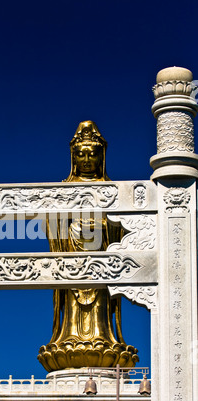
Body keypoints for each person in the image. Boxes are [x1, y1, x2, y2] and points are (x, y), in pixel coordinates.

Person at [38, 121, 139, 373]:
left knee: (101, 304)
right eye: (80, 154)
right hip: (71, 256)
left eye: (92, 154)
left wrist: (104, 226)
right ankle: (68, 338)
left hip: (101, 258)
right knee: (71, 300)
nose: (86, 159)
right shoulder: (62, 189)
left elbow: (123, 227)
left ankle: (104, 338)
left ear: (101, 156)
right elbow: (50, 223)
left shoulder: (111, 191)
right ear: (73, 157)